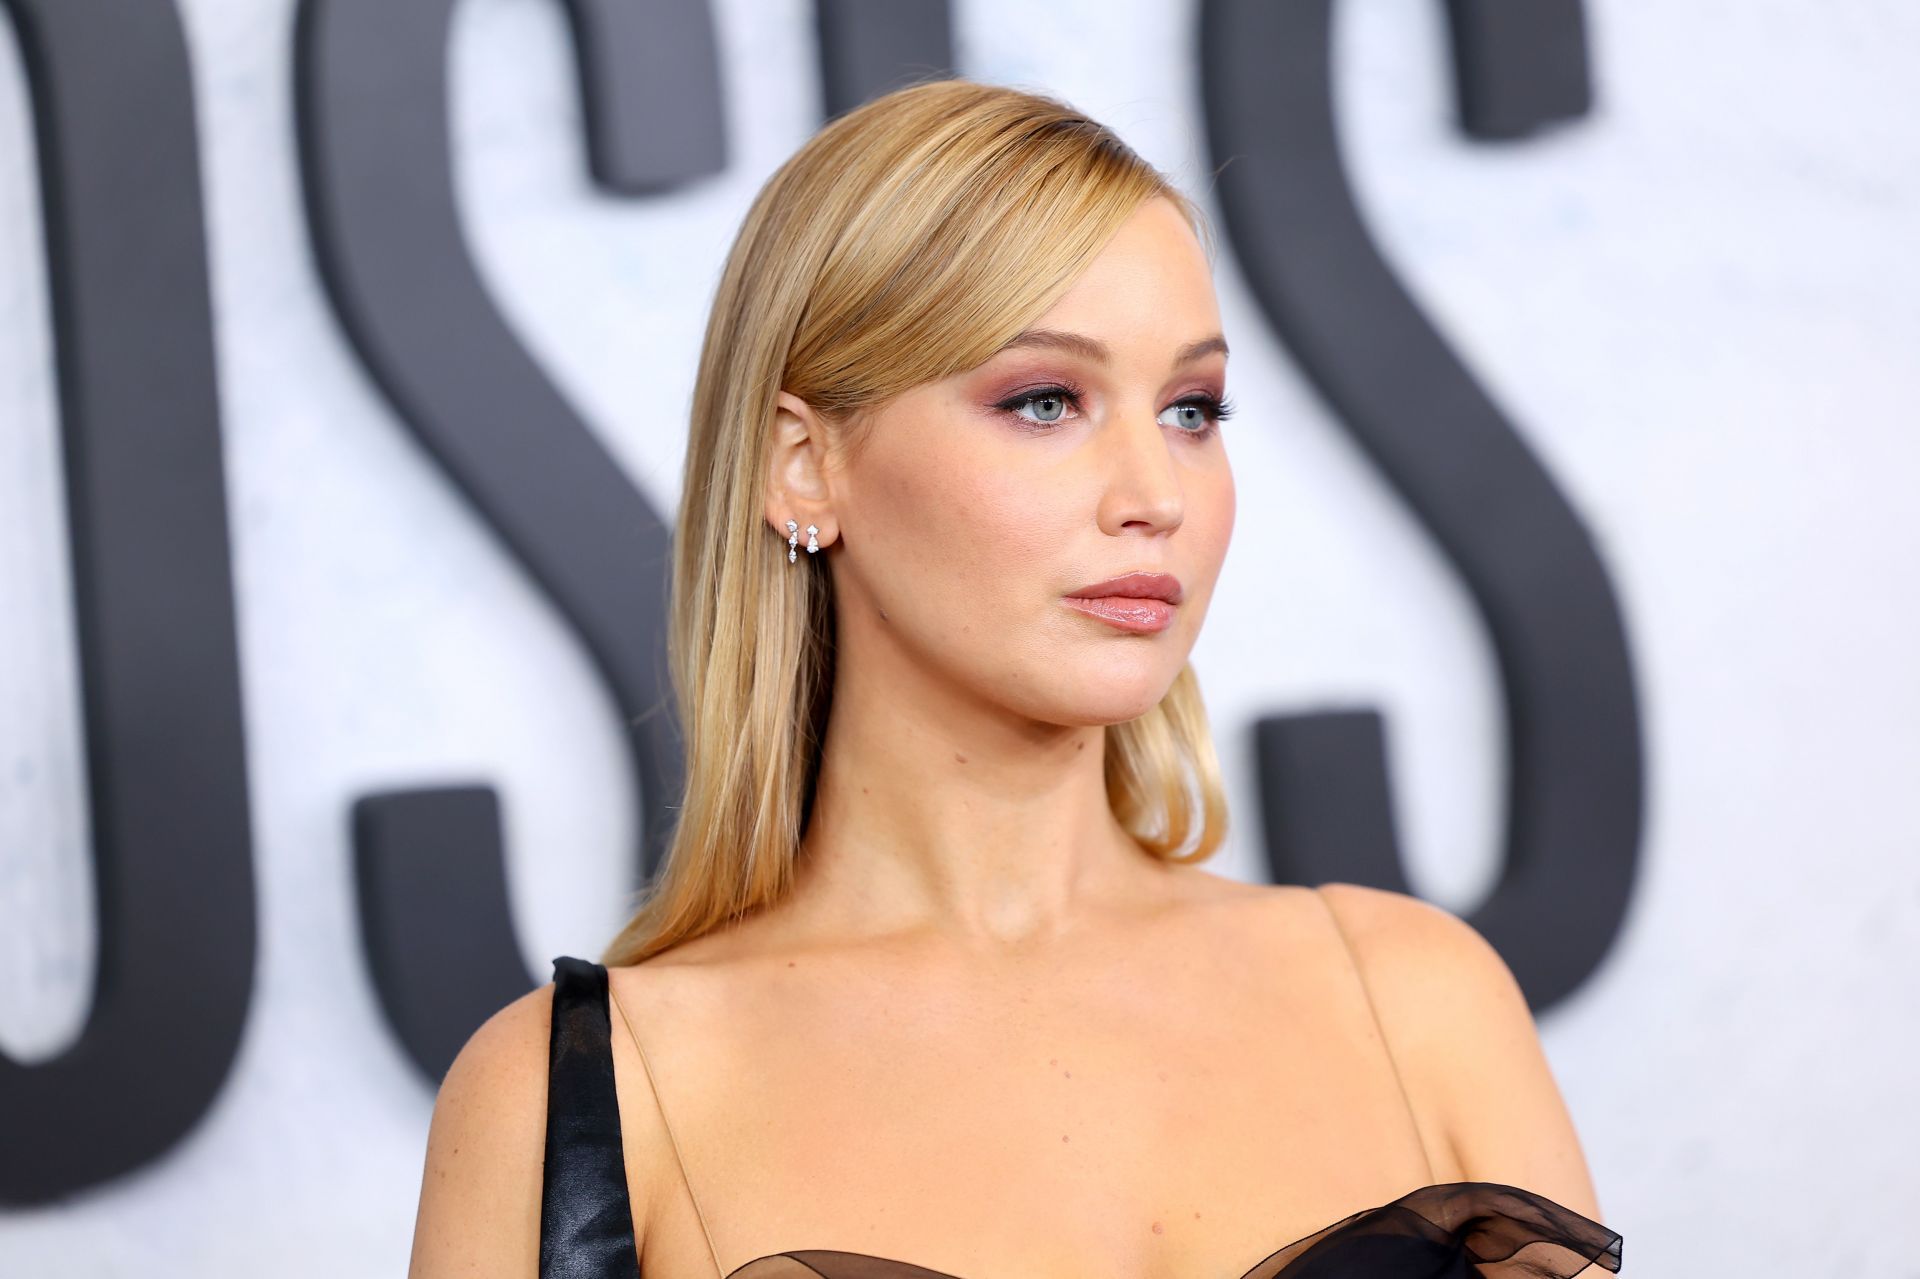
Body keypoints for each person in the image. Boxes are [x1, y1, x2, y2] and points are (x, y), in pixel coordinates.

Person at [405, 78, 1623, 1279]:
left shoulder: (1414, 998)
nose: (1155, 494)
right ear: (804, 466)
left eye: (1193, 409)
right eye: (1046, 400)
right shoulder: (580, 1096)